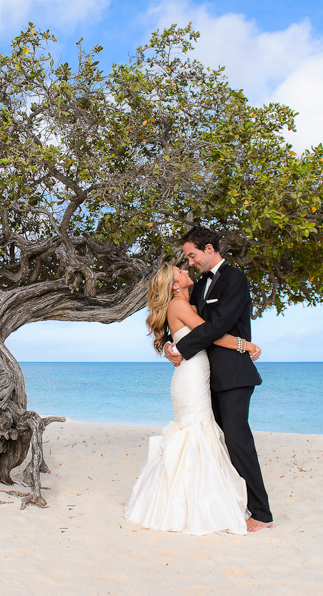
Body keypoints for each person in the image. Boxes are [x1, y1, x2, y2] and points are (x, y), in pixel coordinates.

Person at [124, 262, 262, 535]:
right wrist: (244, 345)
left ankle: (201, 497)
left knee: (203, 431)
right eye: (180, 272)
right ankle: (192, 504)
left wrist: (167, 345)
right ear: (174, 285)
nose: (187, 270)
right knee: (196, 431)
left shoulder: (191, 298)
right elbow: (208, 333)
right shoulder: (178, 304)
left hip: (200, 373)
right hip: (190, 376)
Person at [165, 226, 273, 532]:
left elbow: (218, 326)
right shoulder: (198, 287)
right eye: (187, 258)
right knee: (216, 444)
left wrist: (182, 349)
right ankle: (230, 504)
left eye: (192, 255)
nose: (190, 263)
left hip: (235, 375)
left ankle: (262, 513)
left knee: (238, 441)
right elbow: (180, 321)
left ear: (209, 248)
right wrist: (167, 346)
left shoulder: (235, 280)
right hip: (204, 377)